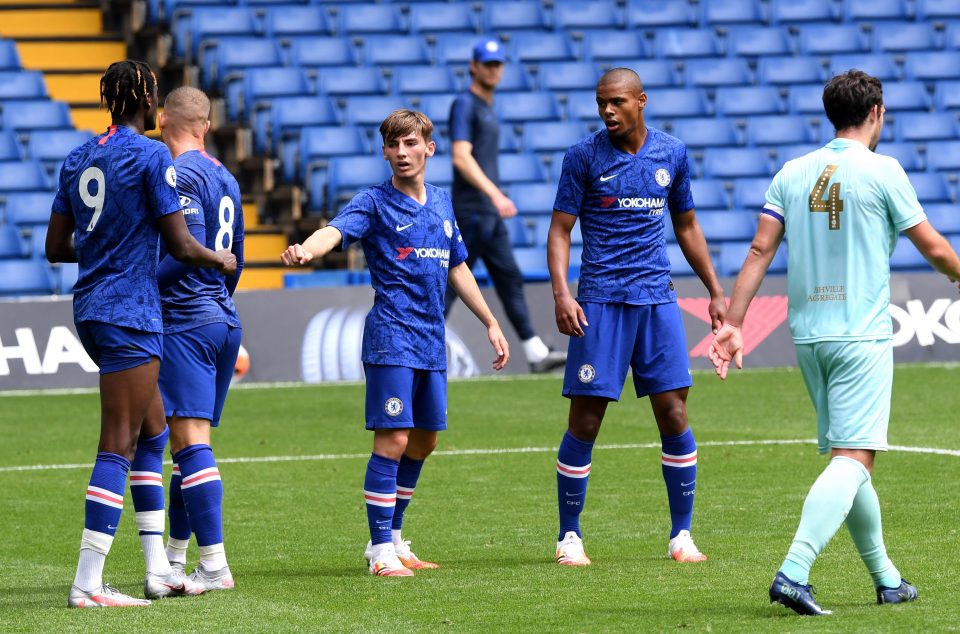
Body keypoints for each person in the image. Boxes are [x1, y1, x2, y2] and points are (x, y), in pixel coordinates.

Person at [708, 70, 960, 616]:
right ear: (877, 114)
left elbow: (758, 251)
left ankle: (887, 578)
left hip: (809, 337)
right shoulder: (883, 170)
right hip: (860, 334)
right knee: (853, 458)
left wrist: (733, 321)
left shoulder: (792, 173)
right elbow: (935, 248)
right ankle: (794, 571)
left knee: (851, 457)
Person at [281, 109, 509, 576]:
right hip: (391, 337)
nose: (402, 153)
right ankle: (380, 549)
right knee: (394, 440)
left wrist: (489, 320)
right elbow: (336, 230)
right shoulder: (374, 202)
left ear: (429, 147)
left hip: (431, 339)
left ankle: (395, 537)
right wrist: (307, 247)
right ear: (385, 151)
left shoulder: (443, 203)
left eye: (410, 144)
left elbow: (457, 266)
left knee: (423, 442)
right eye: (393, 145)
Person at [46, 60, 236, 608]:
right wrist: (216, 258)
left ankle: (158, 571)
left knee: (154, 433)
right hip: (130, 312)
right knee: (119, 442)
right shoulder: (153, 154)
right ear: (148, 99)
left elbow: (56, 248)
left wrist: (106, 241)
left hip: (92, 308)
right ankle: (87, 582)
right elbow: (180, 246)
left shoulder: (78, 157)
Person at [548, 68, 725, 567]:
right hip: (600, 301)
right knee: (586, 418)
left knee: (674, 413)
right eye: (601, 102)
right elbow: (560, 230)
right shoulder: (582, 157)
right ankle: (569, 536)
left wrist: (714, 289)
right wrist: (563, 293)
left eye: (617, 102)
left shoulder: (672, 153)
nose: (607, 111)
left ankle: (682, 535)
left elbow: (687, 225)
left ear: (641, 101)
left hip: (657, 300)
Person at [148, 86, 245, 593]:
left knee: (188, 444)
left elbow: (185, 250)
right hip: (222, 319)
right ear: (205, 126)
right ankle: (175, 557)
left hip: (186, 318)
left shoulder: (179, 174)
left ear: (162, 119)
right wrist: (218, 301)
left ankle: (215, 566)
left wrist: (137, 284)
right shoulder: (226, 176)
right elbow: (236, 259)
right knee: (193, 447)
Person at [445, 38, 565, 373]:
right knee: (451, 284)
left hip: (487, 212)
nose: (493, 70)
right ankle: (420, 347)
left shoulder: (485, 106)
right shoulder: (465, 105)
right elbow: (460, 156)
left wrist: (493, 200)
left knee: (509, 278)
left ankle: (536, 352)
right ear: (474, 66)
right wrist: (495, 194)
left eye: (498, 64)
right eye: (487, 64)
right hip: (470, 210)